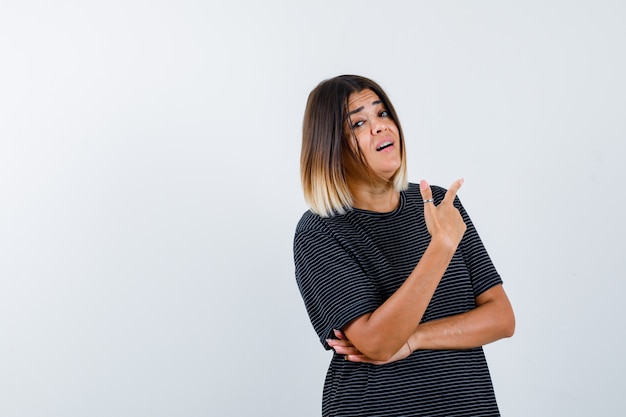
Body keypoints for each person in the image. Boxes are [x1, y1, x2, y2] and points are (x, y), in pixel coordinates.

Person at [293, 75, 515, 416]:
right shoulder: (320, 231)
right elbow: (378, 344)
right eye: (359, 123)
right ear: (330, 145)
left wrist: (416, 338)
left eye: (383, 114)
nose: (380, 127)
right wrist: (440, 248)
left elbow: (501, 318)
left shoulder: (440, 204)